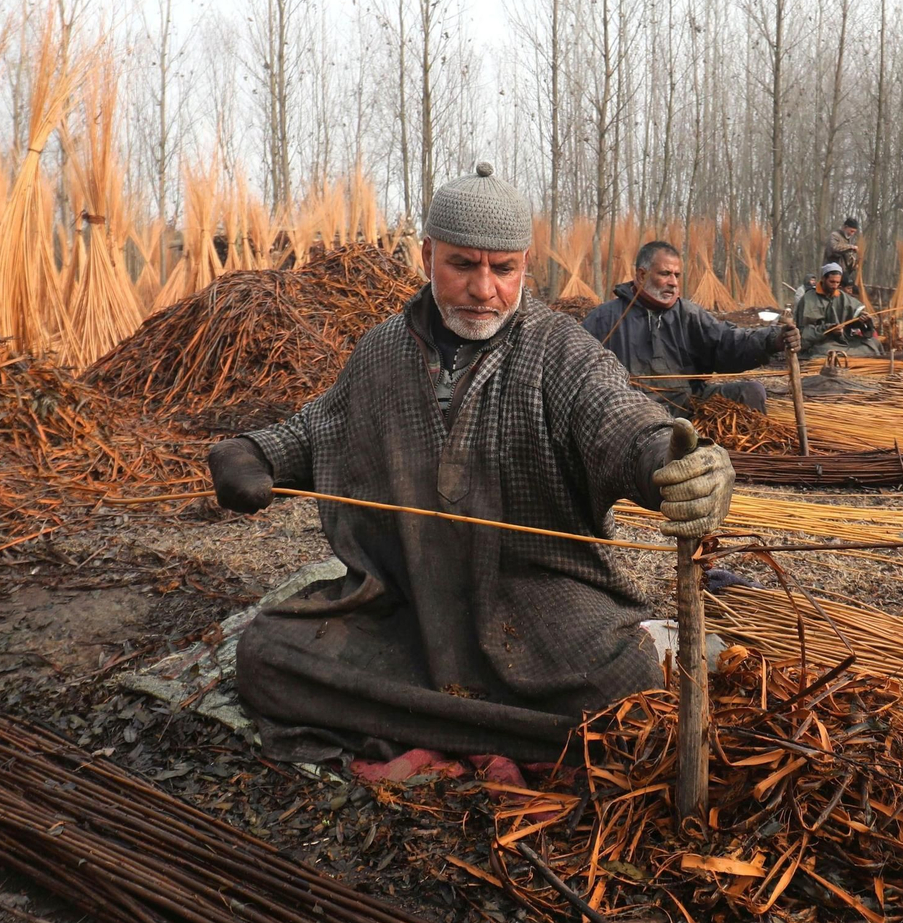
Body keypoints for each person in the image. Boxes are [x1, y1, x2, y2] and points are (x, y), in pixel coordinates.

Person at [206, 162, 736, 763]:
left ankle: (423, 729)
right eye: (463, 265)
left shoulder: (560, 350)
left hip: (536, 599)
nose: (484, 289)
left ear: (524, 264)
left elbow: (621, 420)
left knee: (628, 686)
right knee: (266, 656)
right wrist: (250, 453)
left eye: (503, 269)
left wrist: (672, 461)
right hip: (404, 595)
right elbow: (318, 428)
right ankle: (508, 737)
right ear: (428, 254)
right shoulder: (382, 349)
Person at [580, 241, 800, 417]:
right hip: (634, 414)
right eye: (665, 274)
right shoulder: (605, 318)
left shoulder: (688, 314)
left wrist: (773, 340)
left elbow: (726, 341)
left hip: (689, 405)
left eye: (677, 275)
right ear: (641, 275)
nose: (673, 282)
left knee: (750, 392)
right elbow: (580, 369)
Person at [795, 261, 885, 359]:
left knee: (874, 343)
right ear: (823, 279)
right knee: (824, 351)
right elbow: (803, 333)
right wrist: (828, 329)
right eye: (832, 282)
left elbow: (857, 322)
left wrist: (864, 320)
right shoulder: (809, 299)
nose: (835, 286)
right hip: (821, 342)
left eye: (837, 282)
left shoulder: (843, 298)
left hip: (844, 341)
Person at [825, 216, 861, 292]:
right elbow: (834, 248)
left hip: (844, 272)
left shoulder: (847, 240)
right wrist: (851, 247)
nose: (852, 234)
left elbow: (848, 257)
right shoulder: (834, 236)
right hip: (833, 271)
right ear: (845, 227)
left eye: (854, 232)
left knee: (855, 290)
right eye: (851, 231)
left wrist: (854, 264)